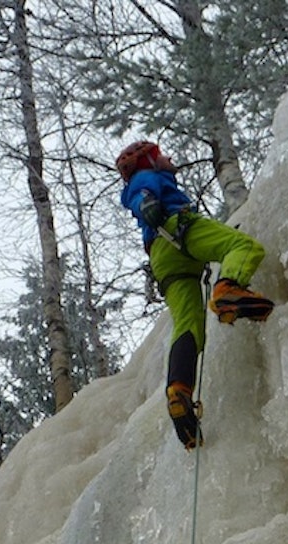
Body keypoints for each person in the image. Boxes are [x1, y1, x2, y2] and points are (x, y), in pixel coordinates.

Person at [117, 140, 274, 449]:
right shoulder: (147, 178)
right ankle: (229, 288)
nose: (168, 157)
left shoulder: (146, 179)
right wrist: (147, 202)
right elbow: (140, 195)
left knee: (189, 325)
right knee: (243, 247)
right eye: (160, 154)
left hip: (162, 257)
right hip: (178, 229)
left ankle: (179, 392)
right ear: (149, 159)